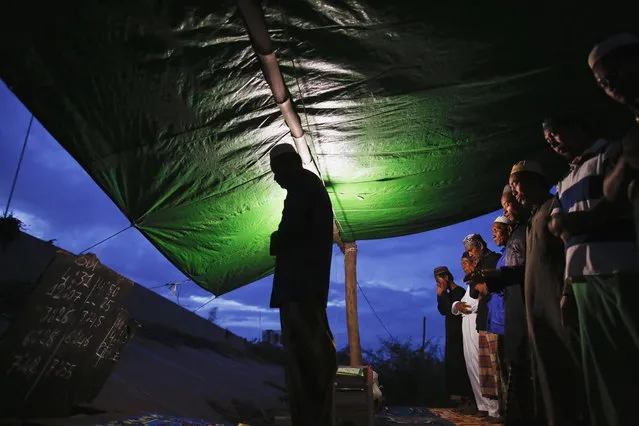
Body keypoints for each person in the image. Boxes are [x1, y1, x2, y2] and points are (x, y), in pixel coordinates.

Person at [546, 109, 639, 425]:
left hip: (620, 268)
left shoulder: (610, 153)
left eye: (556, 132)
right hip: (582, 280)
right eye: (548, 139)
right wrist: (566, 289)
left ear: (577, 125)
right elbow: (558, 230)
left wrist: (575, 222)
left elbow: (621, 201)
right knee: (601, 367)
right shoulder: (563, 183)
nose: (554, 142)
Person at [499, 160, 581, 426]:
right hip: (535, 310)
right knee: (542, 371)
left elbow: (570, 252)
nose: (516, 193)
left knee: (563, 369)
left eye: (516, 185)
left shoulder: (554, 207)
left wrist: (567, 290)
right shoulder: (533, 217)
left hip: (554, 301)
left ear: (535, 180)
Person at [269, 143, 337, 426]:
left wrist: (276, 238)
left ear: (289, 164)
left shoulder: (301, 187)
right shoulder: (312, 188)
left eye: (276, 171)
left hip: (299, 289)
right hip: (308, 289)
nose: (275, 178)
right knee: (312, 358)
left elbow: (286, 235)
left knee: (304, 362)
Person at [589, 33, 639, 255]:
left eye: (615, 72)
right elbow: (611, 195)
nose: (611, 85)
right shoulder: (630, 137)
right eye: (603, 83)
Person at [499, 185, 535, 426]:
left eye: (509, 204)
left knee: (525, 362)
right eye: (504, 207)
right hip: (514, 304)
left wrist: (501, 275)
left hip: (528, 303)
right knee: (514, 360)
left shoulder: (530, 227)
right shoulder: (518, 231)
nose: (507, 210)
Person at [452, 251, 500, 420]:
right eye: (462, 263)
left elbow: (475, 304)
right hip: (467, 323)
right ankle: (482, 405)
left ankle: (492, 407)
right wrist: (457, 305)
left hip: (476, 323)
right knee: (472, 364)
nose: (464, 266)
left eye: (467, 262)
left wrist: (463, 306)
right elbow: (461, 304)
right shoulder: (469, 284)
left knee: (482, 364)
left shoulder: (481, 281)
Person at [435, 266, 473, 410]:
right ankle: (456, 398)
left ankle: (467, 398)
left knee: (460, 362)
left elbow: (454, 309)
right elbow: (443, 310)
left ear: (446, 278)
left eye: (439, 280)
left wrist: (443, 294)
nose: (438, 284)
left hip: (460, 331)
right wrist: (440, 294)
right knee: (452, 362)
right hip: (450, 331)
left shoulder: (459, 292)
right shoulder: (447, 292)